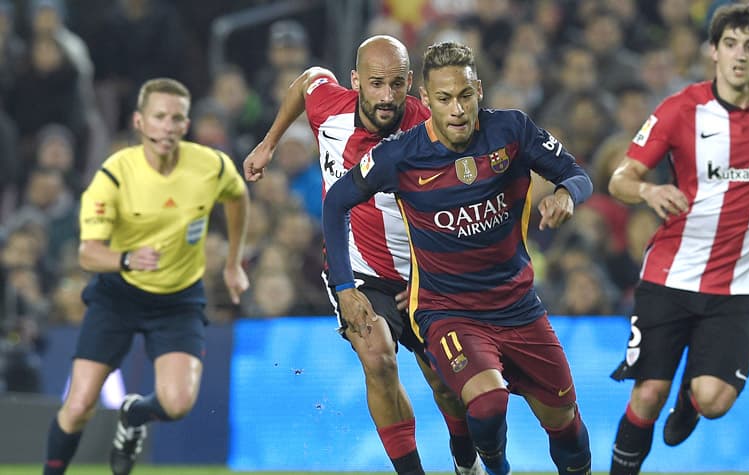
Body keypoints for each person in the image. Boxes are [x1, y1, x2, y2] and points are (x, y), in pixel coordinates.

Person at [322, 41, 593, 475]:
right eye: (444, 99)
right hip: (448, 311)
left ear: (479, 91)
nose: (457, 110)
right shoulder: (400, 155)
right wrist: (344, 287)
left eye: (465, 96)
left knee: (565, 425)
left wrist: (566, 195)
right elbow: (336, 203)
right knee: (487, 402)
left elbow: (577, 174)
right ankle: (495, 468)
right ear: (425, 100)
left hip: (519, 308)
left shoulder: (512, 131)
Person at [243, 35, 483, 475]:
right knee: (378, 357)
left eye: (396, 85)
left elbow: (465, 207)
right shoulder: (328, 109)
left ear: (411, 83)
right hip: (358, 269)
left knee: (445, 384)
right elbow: (307, 81)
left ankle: (465, 463)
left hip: (424, 273)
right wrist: (270, 142)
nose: (386, 96)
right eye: (375, 84)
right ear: (355, 81)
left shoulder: (432, 128)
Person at [605, 5, 749, 474]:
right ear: (713, 52)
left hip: (740, 282)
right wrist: (649, 189)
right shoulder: (680, 110)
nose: (740, 55)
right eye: (730, 44)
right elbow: (620, 177)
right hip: (672, 274)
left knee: (714, 399)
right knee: (647, 394)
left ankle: (692, 399)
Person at [42, 77, 250, 475]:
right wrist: (126, 259)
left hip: (178, 298)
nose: (167, 127)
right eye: (159, 117)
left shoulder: (210, 166)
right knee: (79, 405)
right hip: (118, 295)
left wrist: (233, 262)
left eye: (176, 119)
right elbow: (87, 253)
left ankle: (134, 415)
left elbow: (238, 196)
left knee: (177, 404)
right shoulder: (115, 175)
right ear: (139, 122)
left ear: (186, 126)